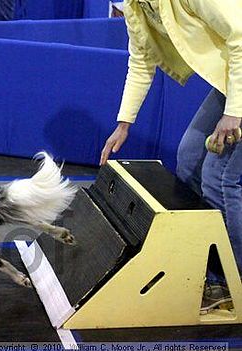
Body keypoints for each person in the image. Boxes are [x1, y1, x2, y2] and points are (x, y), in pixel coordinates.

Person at [99, 0, 242, 311]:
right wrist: (123, 125)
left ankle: (230, 280)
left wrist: (234, 112)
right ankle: (195, 263)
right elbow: (140, 61)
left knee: (220, 178)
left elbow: (241, 34)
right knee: (190, 158)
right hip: (231, 83)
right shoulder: (136, 6)